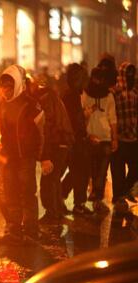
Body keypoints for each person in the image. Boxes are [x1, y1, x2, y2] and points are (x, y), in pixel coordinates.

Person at [0, 65, 44, 244]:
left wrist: (43, 155)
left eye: (9, 86)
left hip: (26, 157)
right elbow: (3, 133)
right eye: (3, 86)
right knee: (11, 194)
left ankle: (31, 230)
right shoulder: (3, 106)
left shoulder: (31, 105)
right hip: (9, 157)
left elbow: (42, 132)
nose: (6, 90)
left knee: (27, 193)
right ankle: (15, 230)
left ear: (17, 84)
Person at [28, 75, 74, 224]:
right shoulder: (51, 96)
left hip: (56, 143)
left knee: (48, 180)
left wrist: (45, 156)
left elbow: (46, 128)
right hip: (62, 142)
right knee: (54, 179)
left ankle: (52, 213)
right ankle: (57, 210)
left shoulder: (43, 100)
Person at [82, 67, 118, 215]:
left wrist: (114, 138)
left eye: (100, 79)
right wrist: (89, 112)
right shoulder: (85, 94)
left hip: (105, 139)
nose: (98, 82)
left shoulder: (109, 96)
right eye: (95, 78)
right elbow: (82, 116)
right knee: (93, 171)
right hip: (90, 138)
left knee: (102, 172)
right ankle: (96, 199)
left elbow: (113, 119)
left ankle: (97, 198)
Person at [61, 64, 92, 215]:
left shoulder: (71, 95)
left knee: (78, 172)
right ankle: (75, 202)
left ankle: (66, 197)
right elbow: (73, 120)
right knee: (80, 172)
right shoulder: (70, 97)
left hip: (76, 139)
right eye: (83, 79)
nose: (86, 82)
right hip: (74, 141)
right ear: (77, 80)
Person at [111, 62, 138, 203]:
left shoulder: (135, 93)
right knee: (118, 171)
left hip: (133, 138)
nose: (131, 76)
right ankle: (118, 196)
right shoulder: (114, 92)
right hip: (119, 138)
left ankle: (124, 191)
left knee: (135, 168)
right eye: (128, 73)